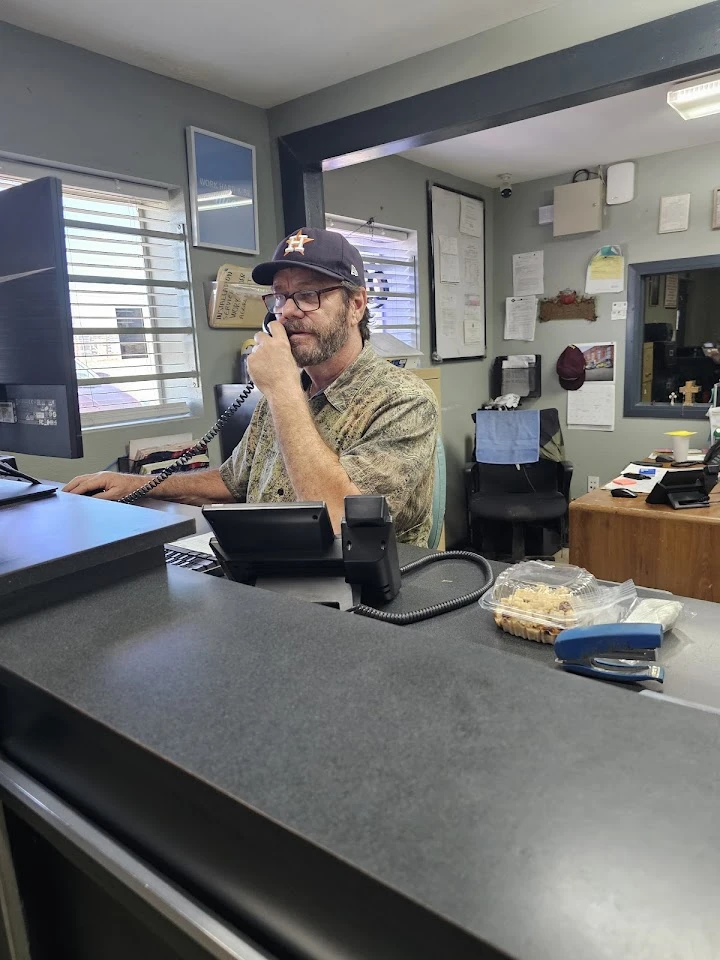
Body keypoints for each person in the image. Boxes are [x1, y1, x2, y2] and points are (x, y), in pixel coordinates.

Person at [64, 228, 439, 545]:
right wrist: (138, 485)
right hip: (270, 570)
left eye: (308, 295)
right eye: (280, 296)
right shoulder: (286, 393)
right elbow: (233, 482)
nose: (287, 311)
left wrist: (282, 391)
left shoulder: (404, 401)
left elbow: (345, 520)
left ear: (356, 305)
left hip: (365, 595)